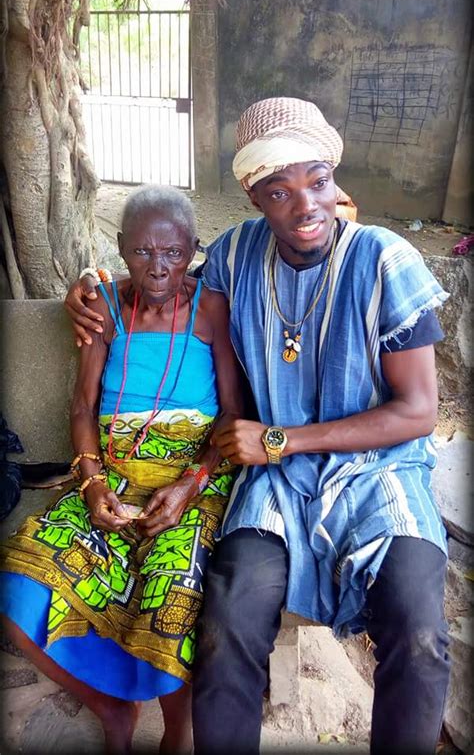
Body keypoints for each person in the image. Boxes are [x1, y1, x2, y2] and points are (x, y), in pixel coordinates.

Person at [64, 97, 451, 755]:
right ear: (253, 196)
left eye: (317, 182)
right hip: (273, 486)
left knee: (419, 634)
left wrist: (280, 439)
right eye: (279, 191)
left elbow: (418, 412)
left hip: (379, 473)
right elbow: (163, 274)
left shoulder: (388, 263)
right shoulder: (237, 256)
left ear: (336, 179)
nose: (305, 207)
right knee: (227, 625)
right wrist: (91, 280)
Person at [0, 184, 243, 755]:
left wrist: (191, 483)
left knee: (173, 601)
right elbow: (83, 407)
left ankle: (177, 733)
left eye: (173, 254)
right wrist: (91, 484)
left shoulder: (211, 308)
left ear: (193, 250)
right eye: (141, 252)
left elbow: (234, 412)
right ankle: (113, 712)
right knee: (16, 586)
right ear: (119, 247)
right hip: (110, 478)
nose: (157, 268)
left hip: (192, 482)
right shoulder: (103, 307)